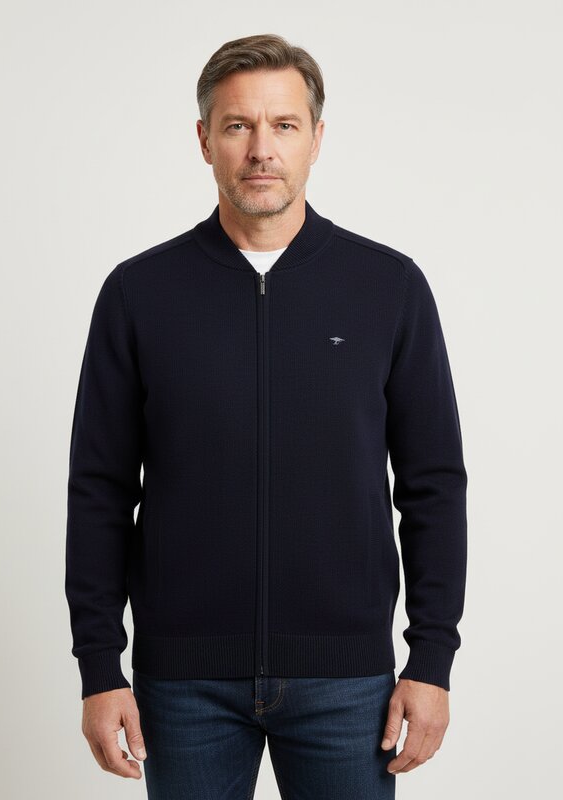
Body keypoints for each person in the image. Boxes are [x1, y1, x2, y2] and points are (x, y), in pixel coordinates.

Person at [65, 33, 468, 800]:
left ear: (317, 138)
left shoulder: (388, 288)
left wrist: (432, 661)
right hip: (182, 688)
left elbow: (434, 487)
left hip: (348, 685)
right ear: (204, 140)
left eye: (284, 125)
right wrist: (98, 668)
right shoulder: (139, 294)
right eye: (237, 126)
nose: (261, 149)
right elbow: (99, 491)